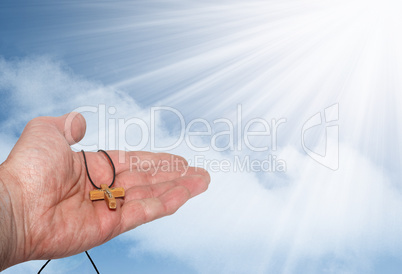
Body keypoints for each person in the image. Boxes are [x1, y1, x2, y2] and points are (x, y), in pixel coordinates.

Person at [0, 112, 210, 271]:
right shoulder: (100, 193)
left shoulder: (113, 192)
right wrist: (17, 203)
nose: (110, 195)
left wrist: (17, 219)